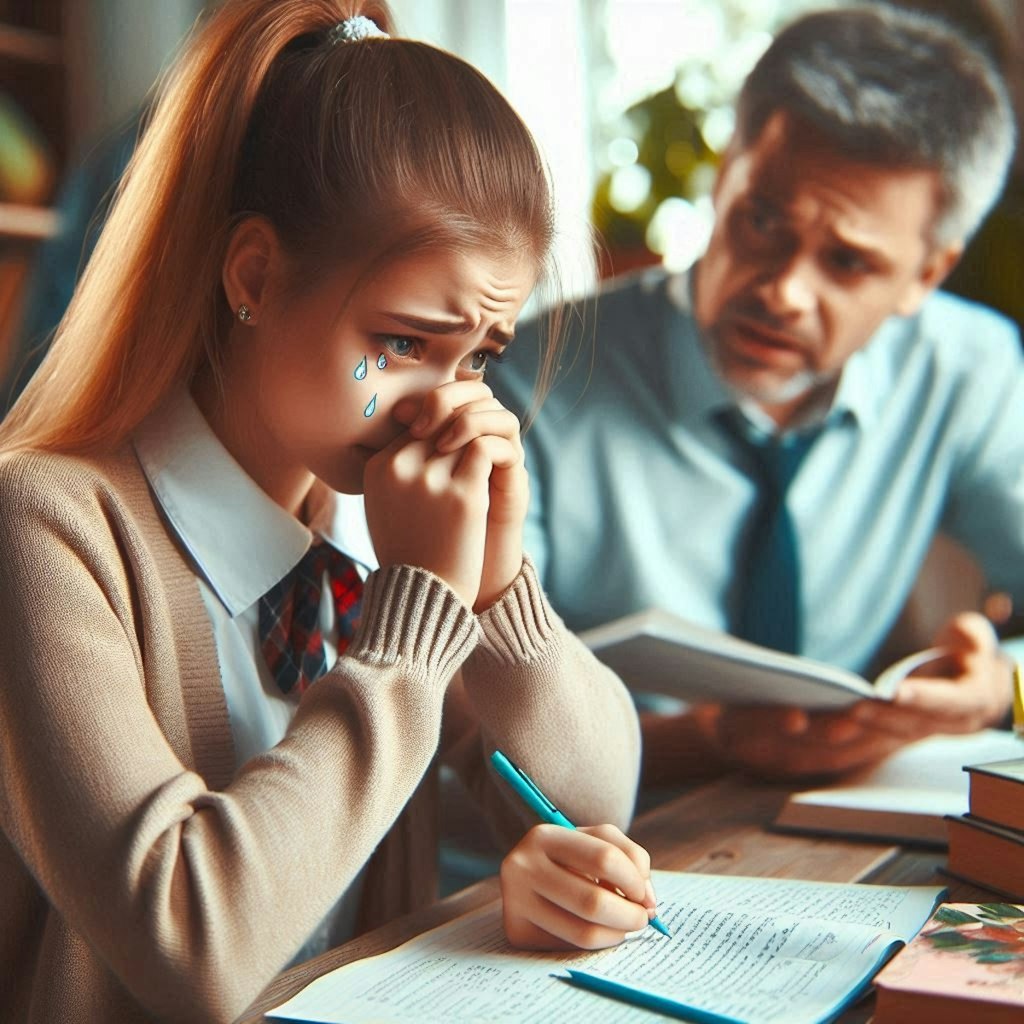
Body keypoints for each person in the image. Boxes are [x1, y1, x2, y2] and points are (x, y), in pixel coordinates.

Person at [0, 3, 655, 1022]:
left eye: (480, 356)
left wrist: (496, 588)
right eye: (400, 343)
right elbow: (192, 946)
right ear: (254, 275)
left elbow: (597, 798)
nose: (450, 404)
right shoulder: (47, 527)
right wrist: (409, 627)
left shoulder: (369, 520)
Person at [491, 3, 1024, 787]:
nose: (782, 292)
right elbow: (473, 732)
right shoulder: (529, 380)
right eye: (762, 219)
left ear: (927, 274)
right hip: (582, 838)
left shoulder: (965, 366)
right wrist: (712, 743)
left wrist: (999, 689)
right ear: (723, 171)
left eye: (846, 262)